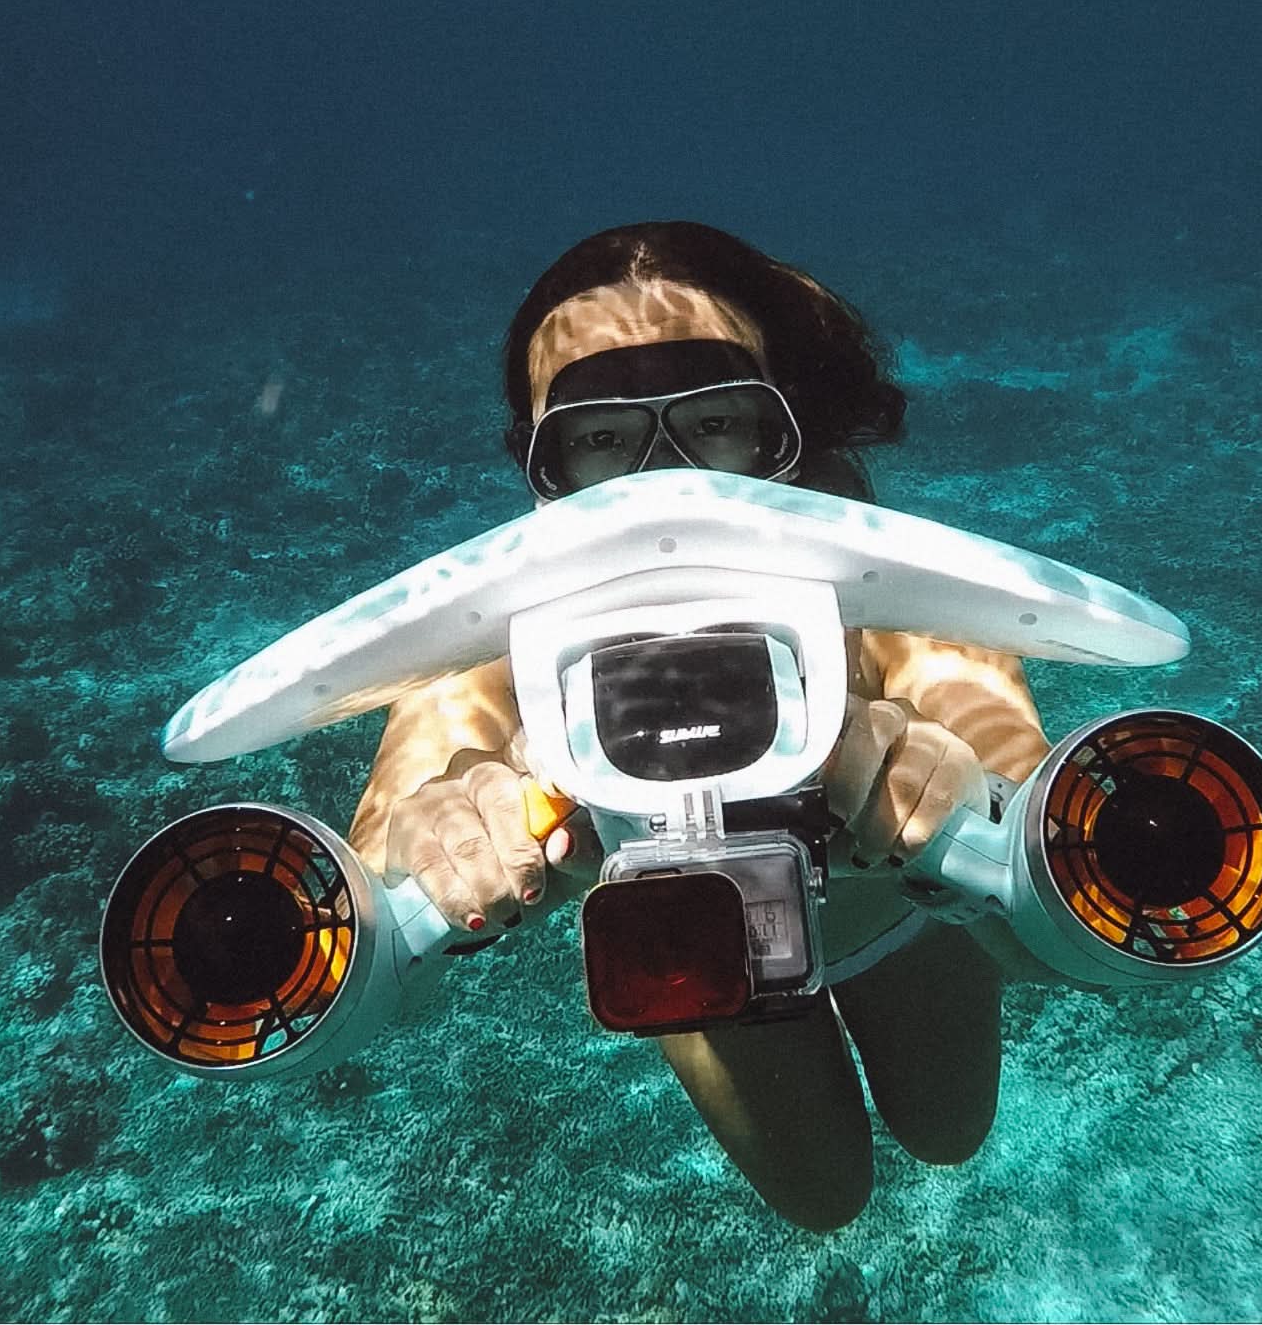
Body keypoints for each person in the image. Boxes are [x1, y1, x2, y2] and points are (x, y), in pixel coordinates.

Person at [345, 221, 1060, 1231]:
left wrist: (969, 806)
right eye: (599, 438)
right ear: (536, 464)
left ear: (787, 434)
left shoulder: (884, 580)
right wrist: (447, 832)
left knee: (951, 1132)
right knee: (825, 1199)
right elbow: (388, 844)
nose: (662, 485)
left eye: (717, 421)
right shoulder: (501, 616)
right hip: (696, 961)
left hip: (893, 924)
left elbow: (1049, 868)